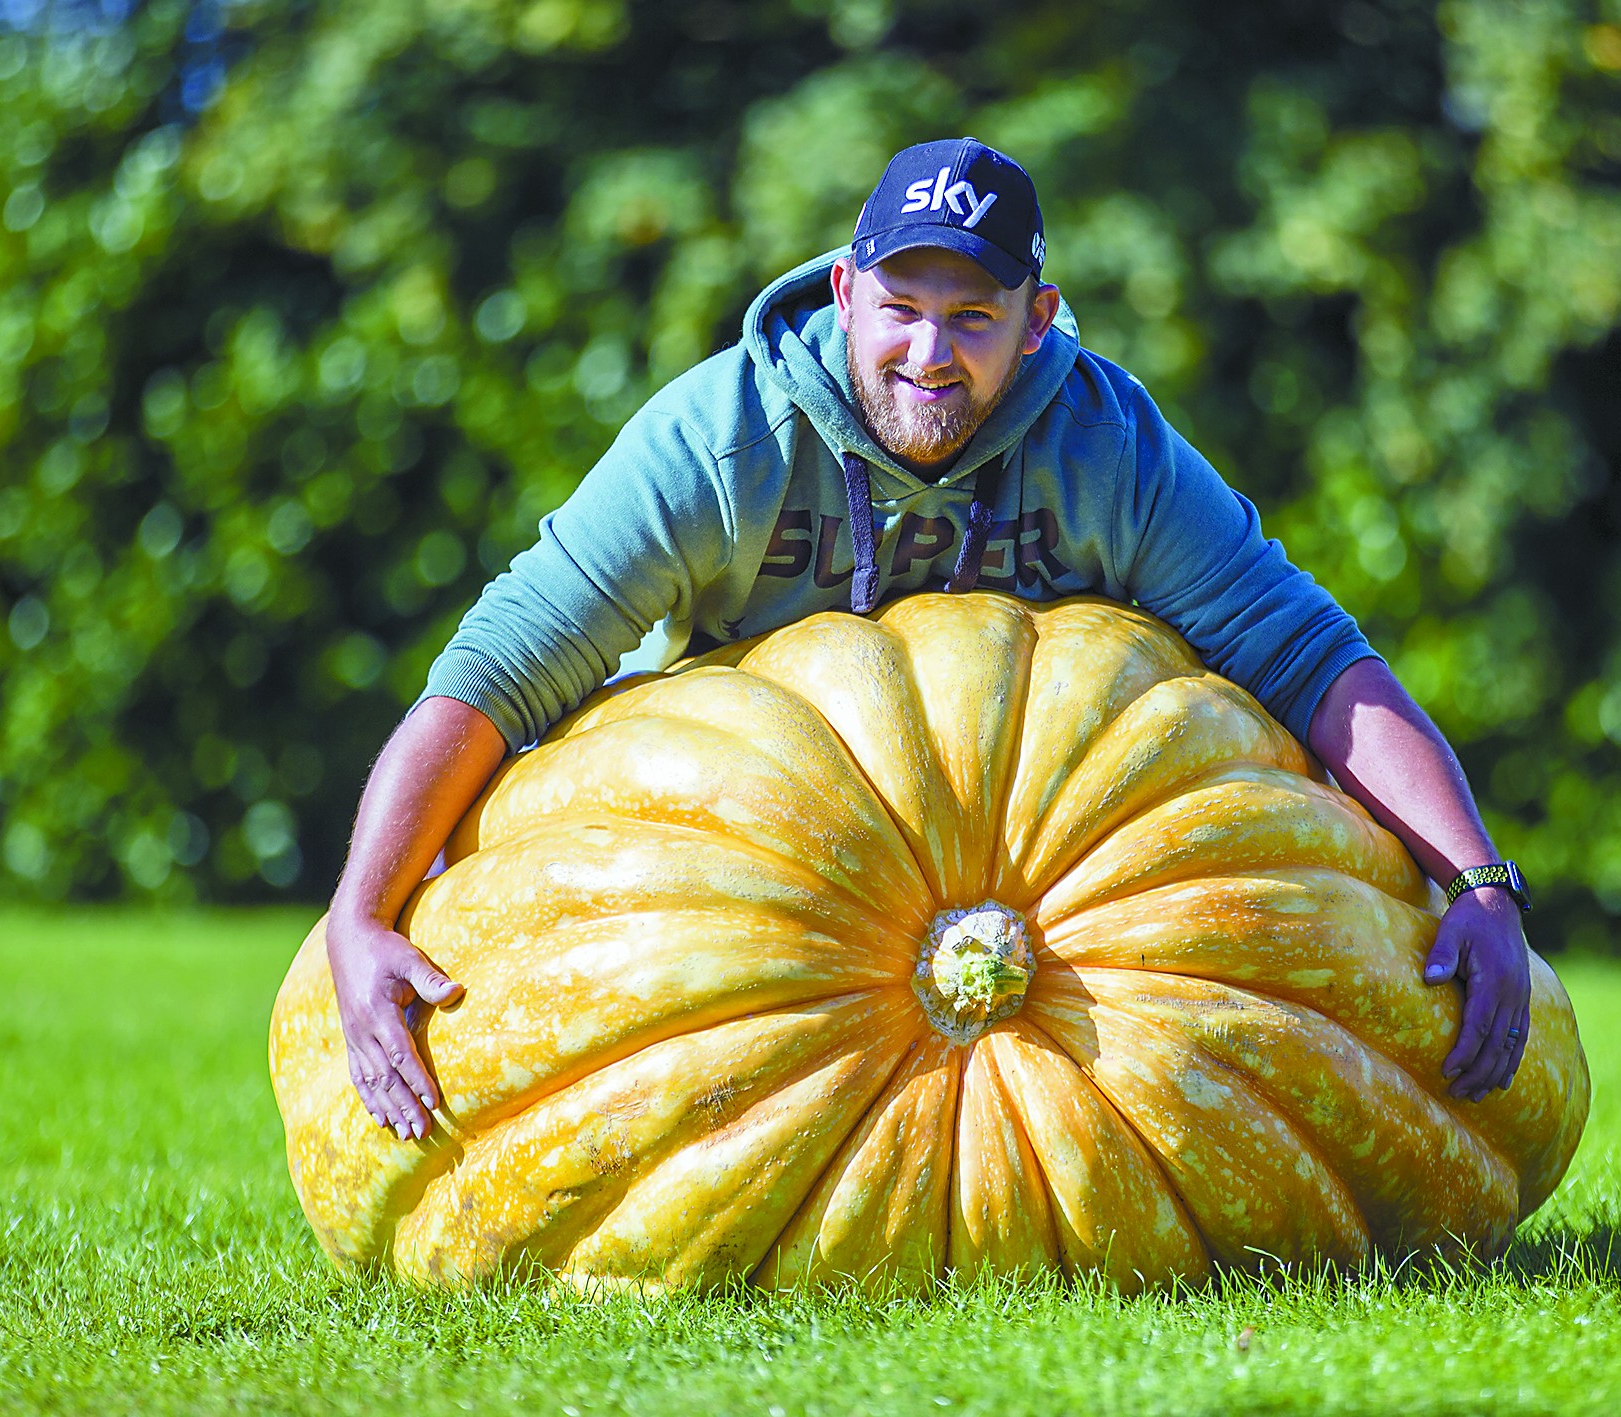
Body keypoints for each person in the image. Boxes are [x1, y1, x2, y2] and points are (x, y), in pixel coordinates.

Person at [326, 138, 1534, 1143]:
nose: (928, 352)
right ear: (847, 294)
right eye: (900, 309)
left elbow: (1311, 659)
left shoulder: (1106, 449)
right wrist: (363, 913)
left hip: (1054, 908)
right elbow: (500, 669)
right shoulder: (720, 441)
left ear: (1036, 319)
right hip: (726, 887)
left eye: (971, 317)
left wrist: (1475, 880)